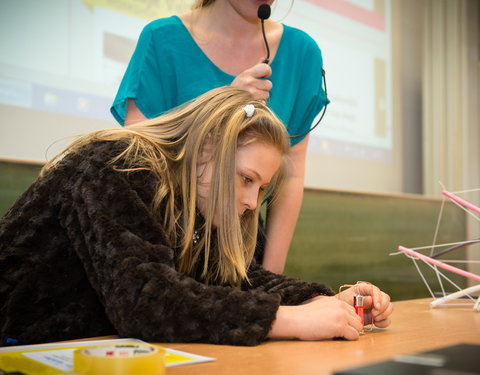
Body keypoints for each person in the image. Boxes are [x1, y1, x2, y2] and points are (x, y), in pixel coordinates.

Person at [0, 87, 392, 347]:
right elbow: (144, 302)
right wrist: (288, 320)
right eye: (246, 179)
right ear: (206, 148)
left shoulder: (197, 200)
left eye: (260, 188)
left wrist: (321, 301)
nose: (253, 203)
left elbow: (237, 278)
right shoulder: (112, 167)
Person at [111, 0, 328, 273]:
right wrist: (224, 105)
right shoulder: (161, 38)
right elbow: (135, 163)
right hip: (163, 244)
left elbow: (290, 176)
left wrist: (271, 279)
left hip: (240, 253)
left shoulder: (302, 52)